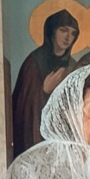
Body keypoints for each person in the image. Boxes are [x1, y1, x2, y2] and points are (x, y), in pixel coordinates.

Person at [11, 8, 83, 155]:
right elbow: (22, 106)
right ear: (52, 31)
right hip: (36, 137)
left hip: (65, 138)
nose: (68, 37)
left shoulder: (73, 66)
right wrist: (42, 91)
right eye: (63, 30)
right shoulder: (34, 62)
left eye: (73, 33)